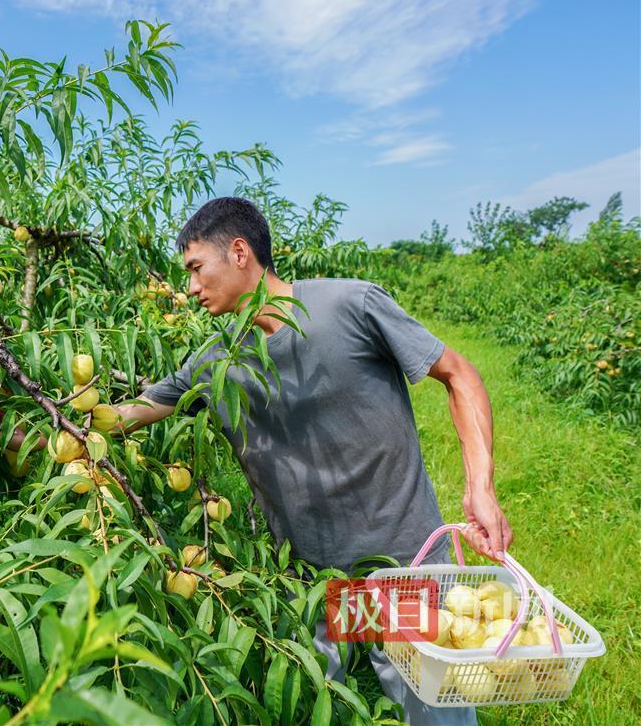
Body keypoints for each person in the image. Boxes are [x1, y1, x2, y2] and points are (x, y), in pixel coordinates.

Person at [108, 197, 512, 725]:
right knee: (318, 707)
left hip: (402, 566)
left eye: (195, 268)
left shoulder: (351, 306)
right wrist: (23, 425)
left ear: (238, 252)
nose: (189, 288)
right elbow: (122, 417)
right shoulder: (214, 362)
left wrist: (479, 485)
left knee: (433, 708)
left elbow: (460, 375)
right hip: (310, 578)